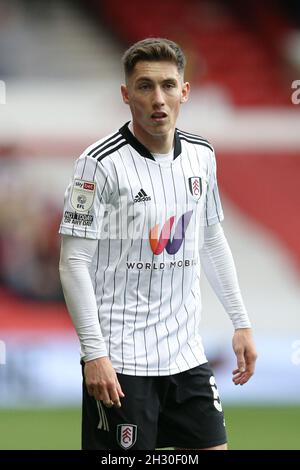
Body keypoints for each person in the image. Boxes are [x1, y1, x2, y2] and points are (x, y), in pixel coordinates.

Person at [59, 38, 257, 451]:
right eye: (145, 86)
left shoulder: (202, 155)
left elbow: (212, 240)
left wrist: (241, 321)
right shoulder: (97, 164)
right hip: (121, 363)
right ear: (126, 94)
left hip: (187, 356)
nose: (158, 98)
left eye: (168, 85)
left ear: (185, 92)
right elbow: (73, 260)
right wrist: (93, 354)